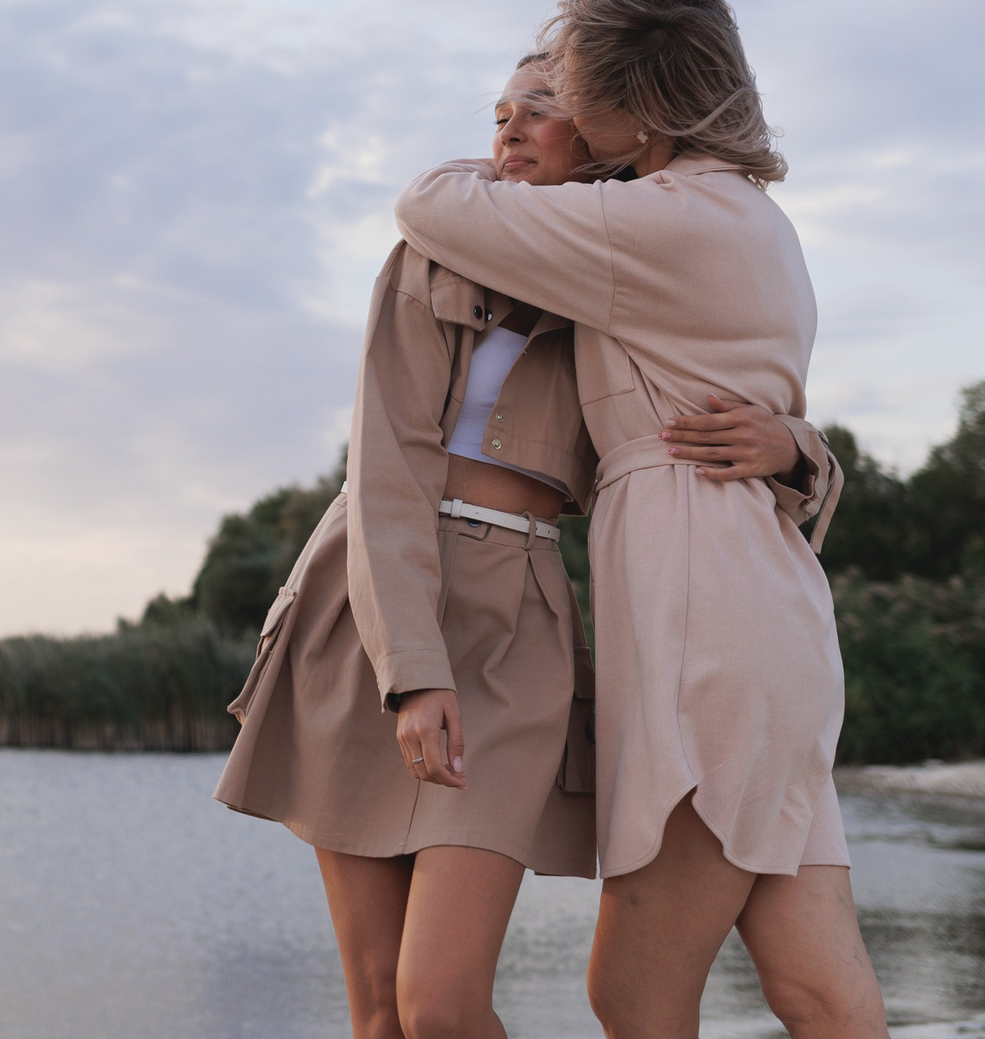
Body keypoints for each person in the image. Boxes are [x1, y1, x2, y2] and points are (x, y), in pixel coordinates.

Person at [217, 56, 811, 1039]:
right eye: (498, 112)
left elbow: (741, 377)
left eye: (540, 108)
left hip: (516, 627)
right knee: (381, 1013)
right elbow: (387, 463)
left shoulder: (642, 270)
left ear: (608, 127)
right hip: (374, 601)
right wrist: (412, 670)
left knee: (440, 1006)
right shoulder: (429, 252)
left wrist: (793, 445)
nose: (508, 126)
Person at [394, 0, 887, 1039]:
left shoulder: (650, 222)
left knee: (633, 993)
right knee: (816, 989)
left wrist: (512, 155)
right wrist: (800, 447)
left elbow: (430, 204)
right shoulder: (758, 222)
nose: (564, 115)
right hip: (773, 614)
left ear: (640, 109)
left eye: (579, 94)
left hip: (699, 615)